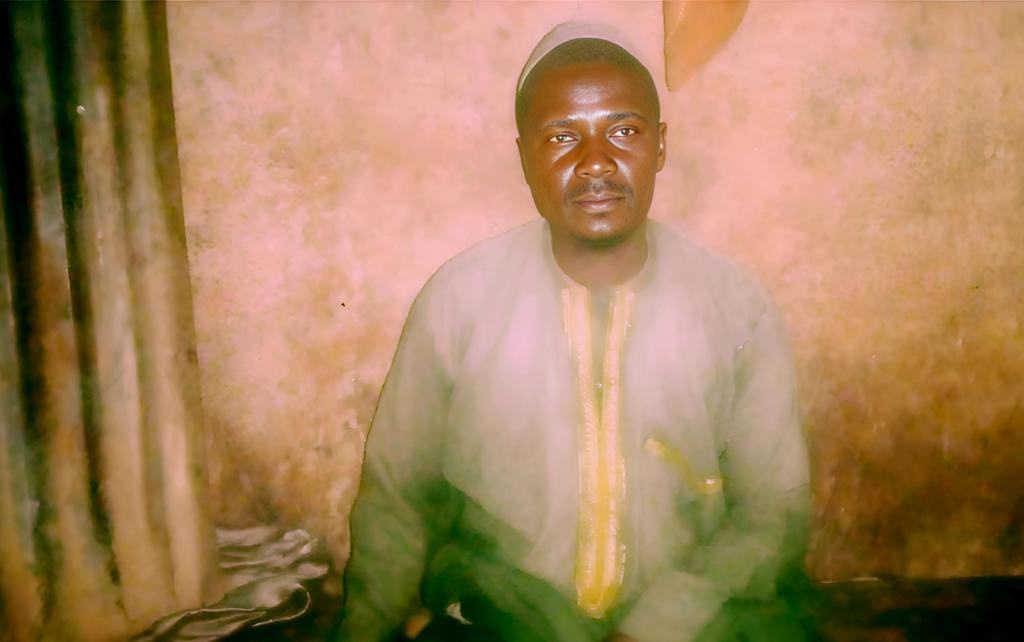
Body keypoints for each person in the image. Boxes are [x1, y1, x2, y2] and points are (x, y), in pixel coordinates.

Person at [334, 21, 812, 642]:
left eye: (624, 130)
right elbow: (398, 498)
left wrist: (658, 626)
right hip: (503, 613)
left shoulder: (735, 307)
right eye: (562, 136)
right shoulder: (458, 302)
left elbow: (773, 511)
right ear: (525, 155)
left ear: (660, 146)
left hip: (694, 621)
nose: (595, 162)